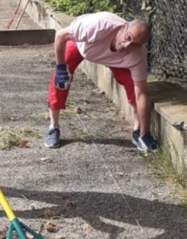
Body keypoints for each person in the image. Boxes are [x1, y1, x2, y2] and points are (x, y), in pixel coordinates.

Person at [44, 12, 158, 152]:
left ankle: (138, 131)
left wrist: (145, 133)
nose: (127, 45)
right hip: (81, 46)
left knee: (131, 83)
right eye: (128, 38)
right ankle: (53, 127)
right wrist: (61, 68)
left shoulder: (137, 56)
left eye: (135, 44)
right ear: (123, 27)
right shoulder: (97, 26)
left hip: (112, 59)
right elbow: (60, 35)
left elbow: (141, 95)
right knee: (60, 81)